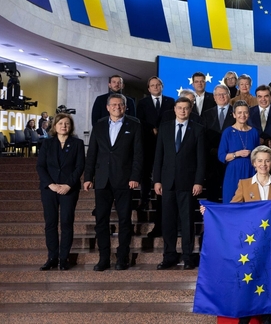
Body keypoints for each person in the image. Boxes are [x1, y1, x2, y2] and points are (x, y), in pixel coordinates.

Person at [200, 145, 271, 324]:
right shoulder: (244, 184)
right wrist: (211, 211)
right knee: (248, 279)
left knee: (268, 278)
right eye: (260, 161)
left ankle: (267, 317)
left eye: (267, 161)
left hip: (270, 243)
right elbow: (232, 208)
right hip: (249, 243)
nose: (263, 164)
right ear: (254, 163)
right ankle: (244, 317)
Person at [83, 93, 143, 271]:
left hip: (125, 181)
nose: (117, 107)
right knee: (101, 220)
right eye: (114, 105)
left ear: (125, 107)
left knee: (125, 220)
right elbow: (92, 153)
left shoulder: (134, 125)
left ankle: (122, 258)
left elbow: (138, 154)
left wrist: (135, 177)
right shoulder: (99, 125)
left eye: (120, 105)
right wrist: (88, 177)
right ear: (108, 107)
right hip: (102, 181)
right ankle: (104, 258)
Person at [153, 97, 206, 270]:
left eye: (186, 108)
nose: (183, 111)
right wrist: (157, 180)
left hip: (188, 183)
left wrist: (198, 181)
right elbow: (158, 156)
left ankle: (188, 256)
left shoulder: (197, 129)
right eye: (179, 108)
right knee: (168, 221)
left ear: (190, 110)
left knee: (187, 221)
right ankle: (169, 256)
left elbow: (201, 159)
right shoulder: (165, 127)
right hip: (167, 182)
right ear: (174, 109)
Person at [36, 113, 85, 271]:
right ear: (54, 126)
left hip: (69, 189)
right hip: (49, 189)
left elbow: (79, 167)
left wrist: (68, 185)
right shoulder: (47, 143)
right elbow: (40, 166)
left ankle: (64, 258)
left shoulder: (77, 143)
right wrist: (51, 184)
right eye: (60, 123)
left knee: (66, 222)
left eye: (67, 124)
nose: (64, 126)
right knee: (50, 223)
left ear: (70, 127)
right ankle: (52, 257)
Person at [136, 76, 175, 211]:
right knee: (146, 173)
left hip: (165, 142)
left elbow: (172, 119)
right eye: (153, 85)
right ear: (148, 88)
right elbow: (139, 120)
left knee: (164, 171)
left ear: (162, 86)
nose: (156, 87)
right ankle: (144, 200)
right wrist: (152, 129)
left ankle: (163, 199)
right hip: (148, 141)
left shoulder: (170, 101)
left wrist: (161, 130)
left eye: (158, 85)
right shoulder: (142, 102)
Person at [218, 100, 260, 204]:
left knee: (250, 202)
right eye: (239, 113)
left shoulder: (254, 132)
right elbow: (221, 155)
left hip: (251, 171)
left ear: (249, 114)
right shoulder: (228, 132)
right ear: (234, 115)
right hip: (233, 172)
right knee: (232, 201)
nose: (242, 115)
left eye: (245, 112)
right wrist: (237, 154)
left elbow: (258, 154)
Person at [203, 85, 236, 202]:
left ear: (229, 95)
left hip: (232, 159)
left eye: (224, 94)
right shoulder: (206, 114)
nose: (221, 97)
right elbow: (204, 137)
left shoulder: (237, 113)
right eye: (218, 94)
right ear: (214, 97)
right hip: (212, 160)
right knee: (212, 193)